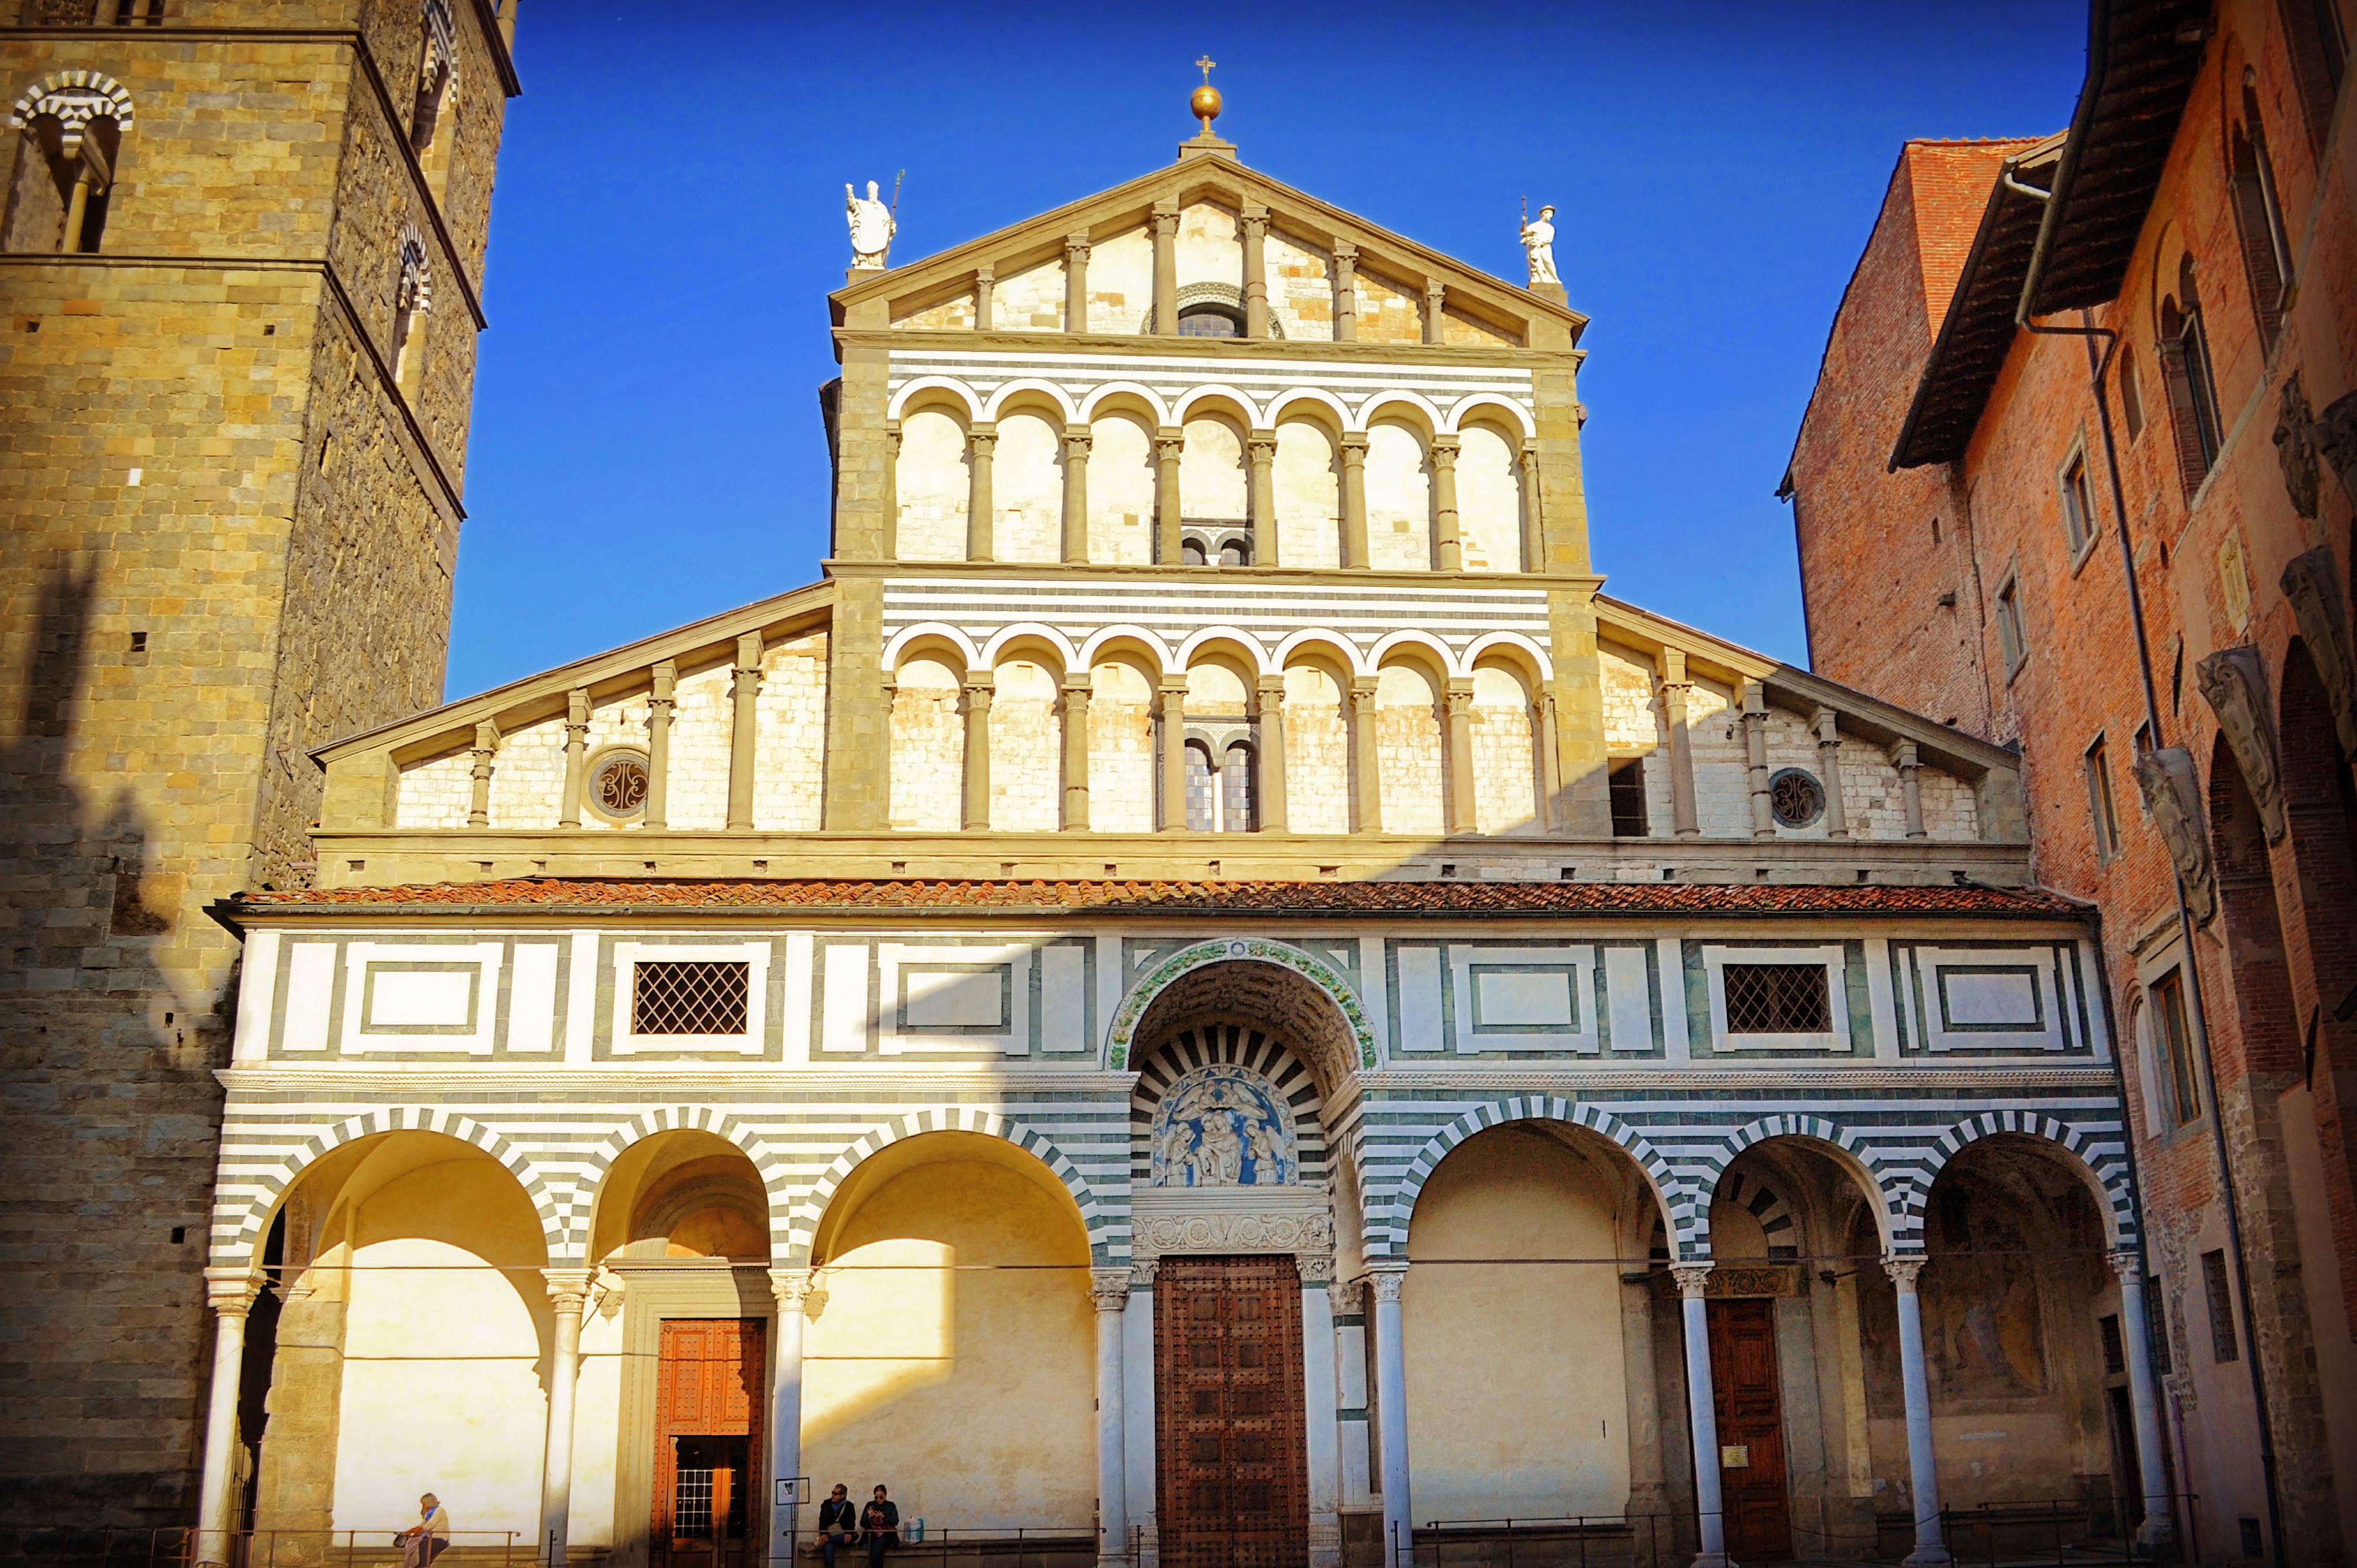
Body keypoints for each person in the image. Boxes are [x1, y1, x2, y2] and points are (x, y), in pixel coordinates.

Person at [398, 1494, 451, 1568]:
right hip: (429, 1538)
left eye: (423, 1504)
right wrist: (408, 1533)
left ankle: (424, 1566)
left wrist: (412, 1532)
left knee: (424, 1543)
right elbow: (421, 1526)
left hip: (440, 1539)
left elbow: (429, 1526)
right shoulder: (428, 1514)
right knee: (414, 1544)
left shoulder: (440, 1511)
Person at [817, 1485, 857, 1568]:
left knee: (855, 1535)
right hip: (830, 1533)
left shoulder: (849, 1506)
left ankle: (828, 1541)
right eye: (833, 1493)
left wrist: (849, 1533)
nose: (833, 1495)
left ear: (843, 1495)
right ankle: (828, 1541)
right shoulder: (827, 1504)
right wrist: (823, 1534)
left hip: (842, 1534)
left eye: (836, 1494)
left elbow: (851, 1522)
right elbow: (822, 1520)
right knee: (828, 1545)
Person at [860, 1486, 898, 1568]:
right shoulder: (870, 1505)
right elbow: (863, 1524)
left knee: (880, 1542)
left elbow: (895, 1521)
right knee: (877, 1547)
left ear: (885, 1495)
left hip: (886, 1534)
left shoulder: (890, 1506)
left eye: (881, 1497)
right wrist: (869, 1516)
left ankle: (871, 1565)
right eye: (876, 1497)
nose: (878, 1500)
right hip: (873, 1534)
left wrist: (884, 1516)